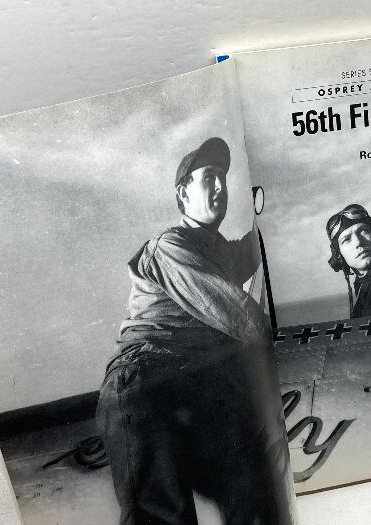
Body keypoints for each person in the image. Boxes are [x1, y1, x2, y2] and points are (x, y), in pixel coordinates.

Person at [97, 137, 292, 525]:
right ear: (183, 195)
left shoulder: (216, 251)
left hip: (196, 386)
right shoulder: (171, 246)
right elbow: (240, 315)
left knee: (258, 498)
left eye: (222, 177)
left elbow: (250, 249)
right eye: (208, 178)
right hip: (145, 384)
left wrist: (273, 215)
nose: (220, 185)